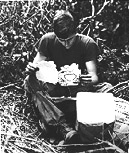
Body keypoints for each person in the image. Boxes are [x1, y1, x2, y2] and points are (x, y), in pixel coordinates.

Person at [24, 10, 112, 144]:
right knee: (29, 81)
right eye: (61, 40)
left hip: (78, 93)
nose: (66, 44)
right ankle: (63, 126)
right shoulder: (47, 40)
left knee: (107, 88)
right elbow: (36, 64)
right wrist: (31, 69)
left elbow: (94, 76)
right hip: (55, 94)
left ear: (76, 32)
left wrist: (89, 80)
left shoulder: (87, 43)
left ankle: (82, 124)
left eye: (69, 40)